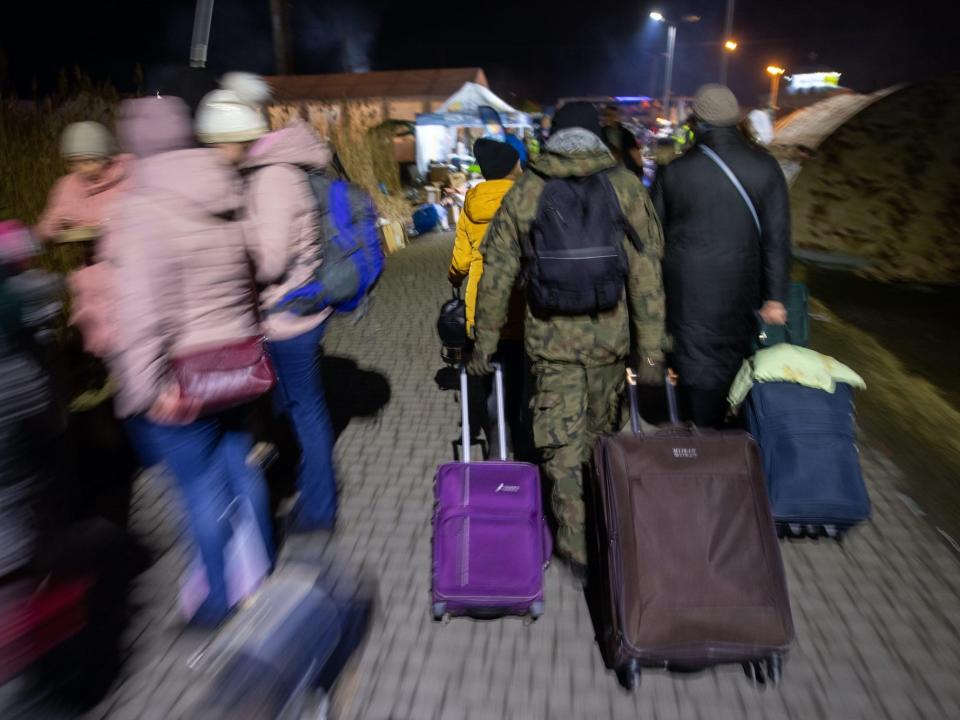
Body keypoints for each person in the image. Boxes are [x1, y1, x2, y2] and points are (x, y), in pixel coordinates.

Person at [468, 102, 667, 577]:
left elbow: (496, 273)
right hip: (609, 342)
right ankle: (607, 531)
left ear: (552, 136)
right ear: (597, 136)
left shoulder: (527, 188)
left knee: (560, 445)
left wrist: (485, 342)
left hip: (551, 342)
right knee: (601, 435)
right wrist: (653, 350)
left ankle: (576, 548)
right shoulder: (624, 186)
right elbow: (647, 275)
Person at [105, 95, 275, 626]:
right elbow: (252, 274)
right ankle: (261, 572)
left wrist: (145, 390)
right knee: (240, 468)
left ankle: (217, 602)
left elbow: (140, 315)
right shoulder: (226, 188)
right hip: (239, 364)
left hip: (184, 376)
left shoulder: (140, 208)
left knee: (199, 491)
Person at [196, 73, 338, 533]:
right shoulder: (274, 171)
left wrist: (228, 256)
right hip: (293, 311)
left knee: (304, 410)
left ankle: (319, 507)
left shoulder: (272, 178)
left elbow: (272, 262)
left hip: (288, 318)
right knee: (298, 408)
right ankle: (308, 492)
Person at [652, 84, 791, 429]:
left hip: (685, 284)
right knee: (732, 353)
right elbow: (777, 238)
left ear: (696, 123)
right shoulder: (765, 167)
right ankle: (723, 426)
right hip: (742, 282)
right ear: (735, 120)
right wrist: (775, 297)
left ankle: (695, 425)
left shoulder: (675, 171)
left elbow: (653, 236)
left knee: (692, 353)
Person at [448, 138, 526, 460]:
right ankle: (516, 437)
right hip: (520, 299)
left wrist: (454, 277)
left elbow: (461, 261)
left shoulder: (471, 202)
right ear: (511, 168)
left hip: (480, 303)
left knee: (489, 368)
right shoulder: (526, 198)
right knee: (518, 372)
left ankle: (497, 433)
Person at [35, 122, 133, 243]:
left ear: (105, 159)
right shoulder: (68, 185)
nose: (80, 169)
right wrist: (55, 227)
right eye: (73, 163)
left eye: (87, 162)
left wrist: (108, 226)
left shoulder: (127, 179)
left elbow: (138, 218)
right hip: (90, 256)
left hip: (126, 251)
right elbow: (49, 222)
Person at [600, 103, 644, 178]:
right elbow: (636, 154)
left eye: (612, 116)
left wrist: (639, 171)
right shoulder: (601, 133)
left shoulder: (626, 134)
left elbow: (635, 154)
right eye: (607, 115)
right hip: (610, 173)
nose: (611, 118)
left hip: (623, 172)